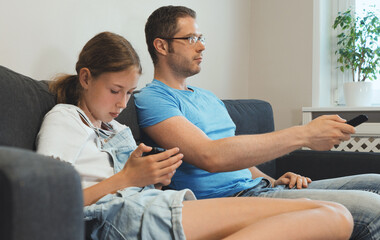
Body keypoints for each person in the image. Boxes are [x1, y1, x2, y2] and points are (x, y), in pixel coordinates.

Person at [35, 31, 353, 240]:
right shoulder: (65, 119)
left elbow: (132, 181)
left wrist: (153, 177)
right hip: (116, 219)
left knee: (336, 217)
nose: (122, 103)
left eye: (129, 93)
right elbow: (44, 203)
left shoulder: (117, 129)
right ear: (86, 78)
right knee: (331, 217)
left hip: (150, 205)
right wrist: (127, 179)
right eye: (115, 91)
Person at [134, 5, 380, 240]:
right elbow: (210, 156)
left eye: (201, 38)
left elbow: (237, 158)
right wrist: (303, 135)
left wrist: (273, 180)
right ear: (161, 46)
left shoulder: (208, 97)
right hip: (230, 200)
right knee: (374, 210)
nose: (201, 47)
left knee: (375, 182)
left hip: (260, 188)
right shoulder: (153, 98)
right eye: (190, 39)